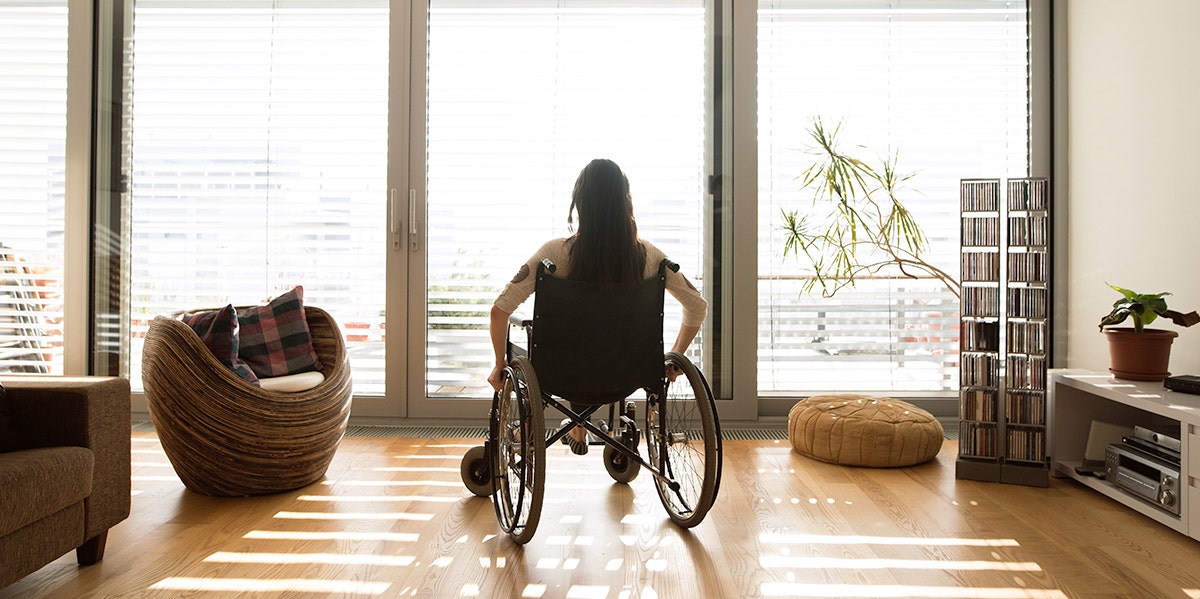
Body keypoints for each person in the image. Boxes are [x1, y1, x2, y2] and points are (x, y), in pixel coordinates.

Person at [487, 158, 708, 454]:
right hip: (627, 373)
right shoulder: (651, 258)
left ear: (580, 204)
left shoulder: (553, 255)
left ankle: (559, 427)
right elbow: (697, 306)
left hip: (562, 373)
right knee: (600, 344)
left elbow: (499, 311)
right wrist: (674, 358)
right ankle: (580, 426)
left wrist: (500, 364)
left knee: (569, 347)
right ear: (625, 203)